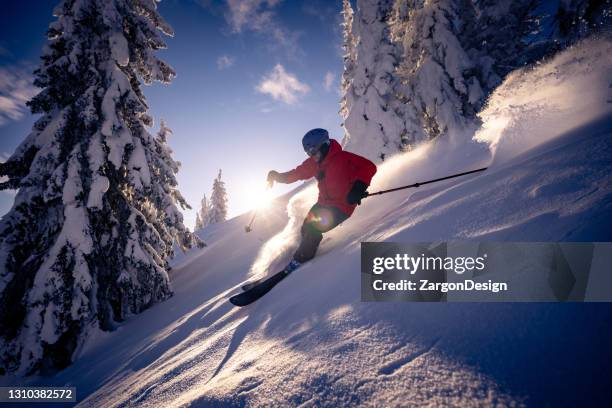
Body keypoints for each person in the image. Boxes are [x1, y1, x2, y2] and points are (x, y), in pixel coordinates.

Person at [267, 128, 377, 267]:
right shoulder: (314, 163)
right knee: (306, 227)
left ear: (324, 145)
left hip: (341, 206)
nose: (311, 155)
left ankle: (301, 259)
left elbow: (368, 166)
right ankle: (306, 249)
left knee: (314, 228)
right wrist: (277, 177)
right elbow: (297, 173)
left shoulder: (343, 158)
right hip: (322, 204)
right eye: (308, 153)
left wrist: (359, 187)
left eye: (313, 151)